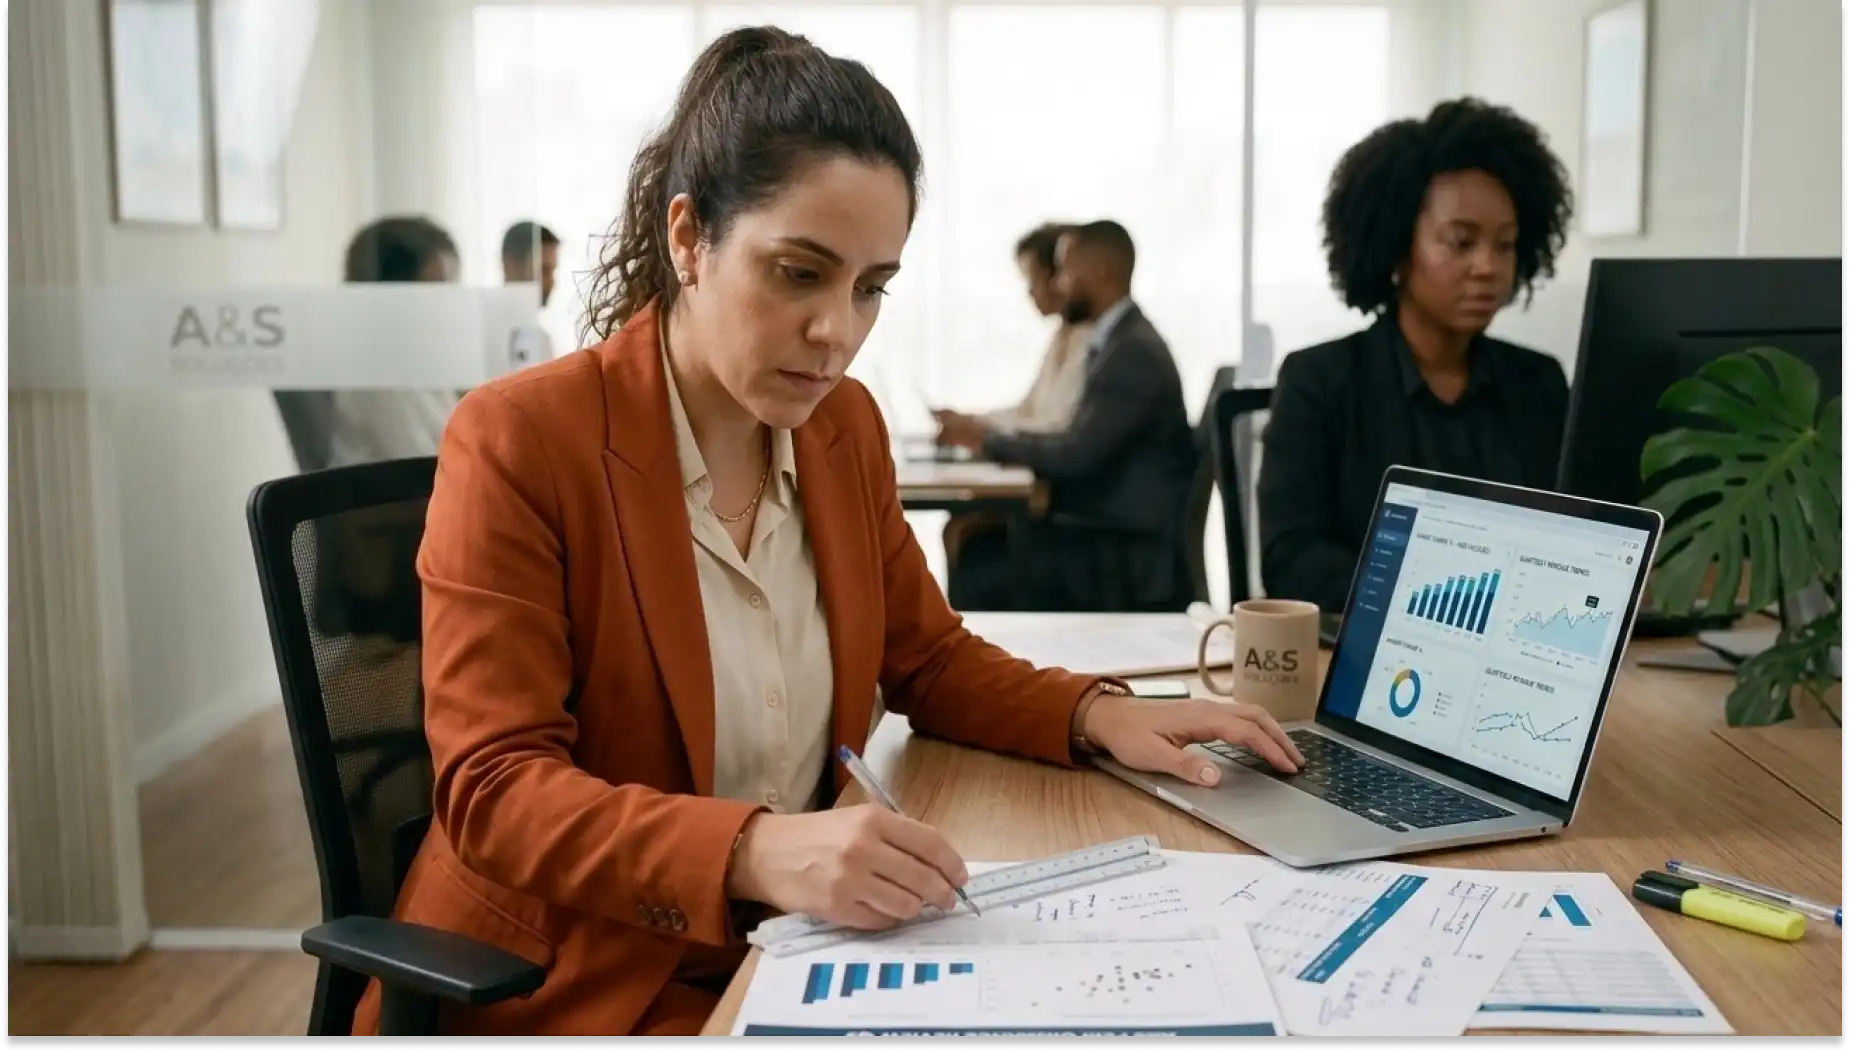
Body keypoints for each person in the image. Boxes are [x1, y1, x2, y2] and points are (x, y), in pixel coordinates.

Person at [349, 26, 1301, 1039]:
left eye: (869, 287)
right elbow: (496, 791)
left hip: (795, 946)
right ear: (688, 238)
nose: (836, 331)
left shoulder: (839, 428)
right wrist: (755, 849)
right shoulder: (522, 440)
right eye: (798, 273)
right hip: (581, 978)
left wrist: (1095, 716)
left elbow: (924, 656)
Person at [1258, 97, 1575, 613]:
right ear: (1396, 250)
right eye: (1461, 242)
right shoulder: (1319, 381)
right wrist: (1445, 598)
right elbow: (1292, 560)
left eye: (1505, 244)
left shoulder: (1537, 382)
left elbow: (1575, 544)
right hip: (1371, 653)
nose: (1488, 267)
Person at [939, 220, 1197, 612]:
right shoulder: (1119, 340)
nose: (1058, 285)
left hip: (1120, 554)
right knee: (974, 535)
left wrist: (986, 439)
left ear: (1100, 273)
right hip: (1107, 535)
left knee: (978, 561)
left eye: (1066, 272)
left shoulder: (1131, 353)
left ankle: (981, 671)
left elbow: (1075, 455)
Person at [931, 221, 1094, 577]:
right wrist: (977, 422)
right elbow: (1031, 410)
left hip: (1075, 511)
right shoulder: (1065, 337)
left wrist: (983, 434)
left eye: (1033, 279)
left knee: (965, 528)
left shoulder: (1096, 345)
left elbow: (1058, 427)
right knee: (962, 523)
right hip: (1057, 493)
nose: (1032, 293)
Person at [326, 216, 465, 468]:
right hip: (394, 504)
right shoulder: (374, 375)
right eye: (436, 290)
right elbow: (424, 467)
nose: (449, 305)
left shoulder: (420, 361)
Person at [500, 219, 561, 307]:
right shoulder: (480, 317)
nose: (551, 282)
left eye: (553, 271)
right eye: (544, 270)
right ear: (511, 265)